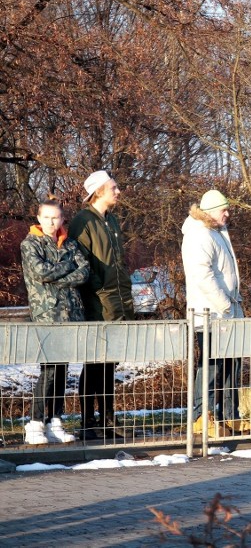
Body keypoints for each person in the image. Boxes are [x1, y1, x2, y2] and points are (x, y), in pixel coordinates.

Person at [68, 170, 135, 440]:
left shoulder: (113, 221)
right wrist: (99, 288)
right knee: (94, 362)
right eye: (114, 187)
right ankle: (86, 422)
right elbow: (81, 262)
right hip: (98, 301)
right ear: (98, 191)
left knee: (109, 364)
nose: (118, 192)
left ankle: (108, 421)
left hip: (117, 301)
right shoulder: (83, 221)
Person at [21, 199, 90, 444]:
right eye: (47, 217)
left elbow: (84, 271)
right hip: (47, 314)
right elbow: (40, 272)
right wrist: (67, 266)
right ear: (39, 218)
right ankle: (36, 422)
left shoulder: (69, 242)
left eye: (56, 217)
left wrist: (58, 274)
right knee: (48, 370)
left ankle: (55, 420)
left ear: (62, 219)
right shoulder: (30, 244)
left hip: (71, 314)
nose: (52, 222)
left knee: (63, 369)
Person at [181, 189, 244, 437]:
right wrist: (225, 305)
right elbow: (203, 276)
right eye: (223, 210)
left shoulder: (216, 232)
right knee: (210, 366)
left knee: (231, 365)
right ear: (209, 212)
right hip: (210, 315)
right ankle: (200, 416)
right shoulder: (200, 235)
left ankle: (229, 416)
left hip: (226, 314)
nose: (228, 214)